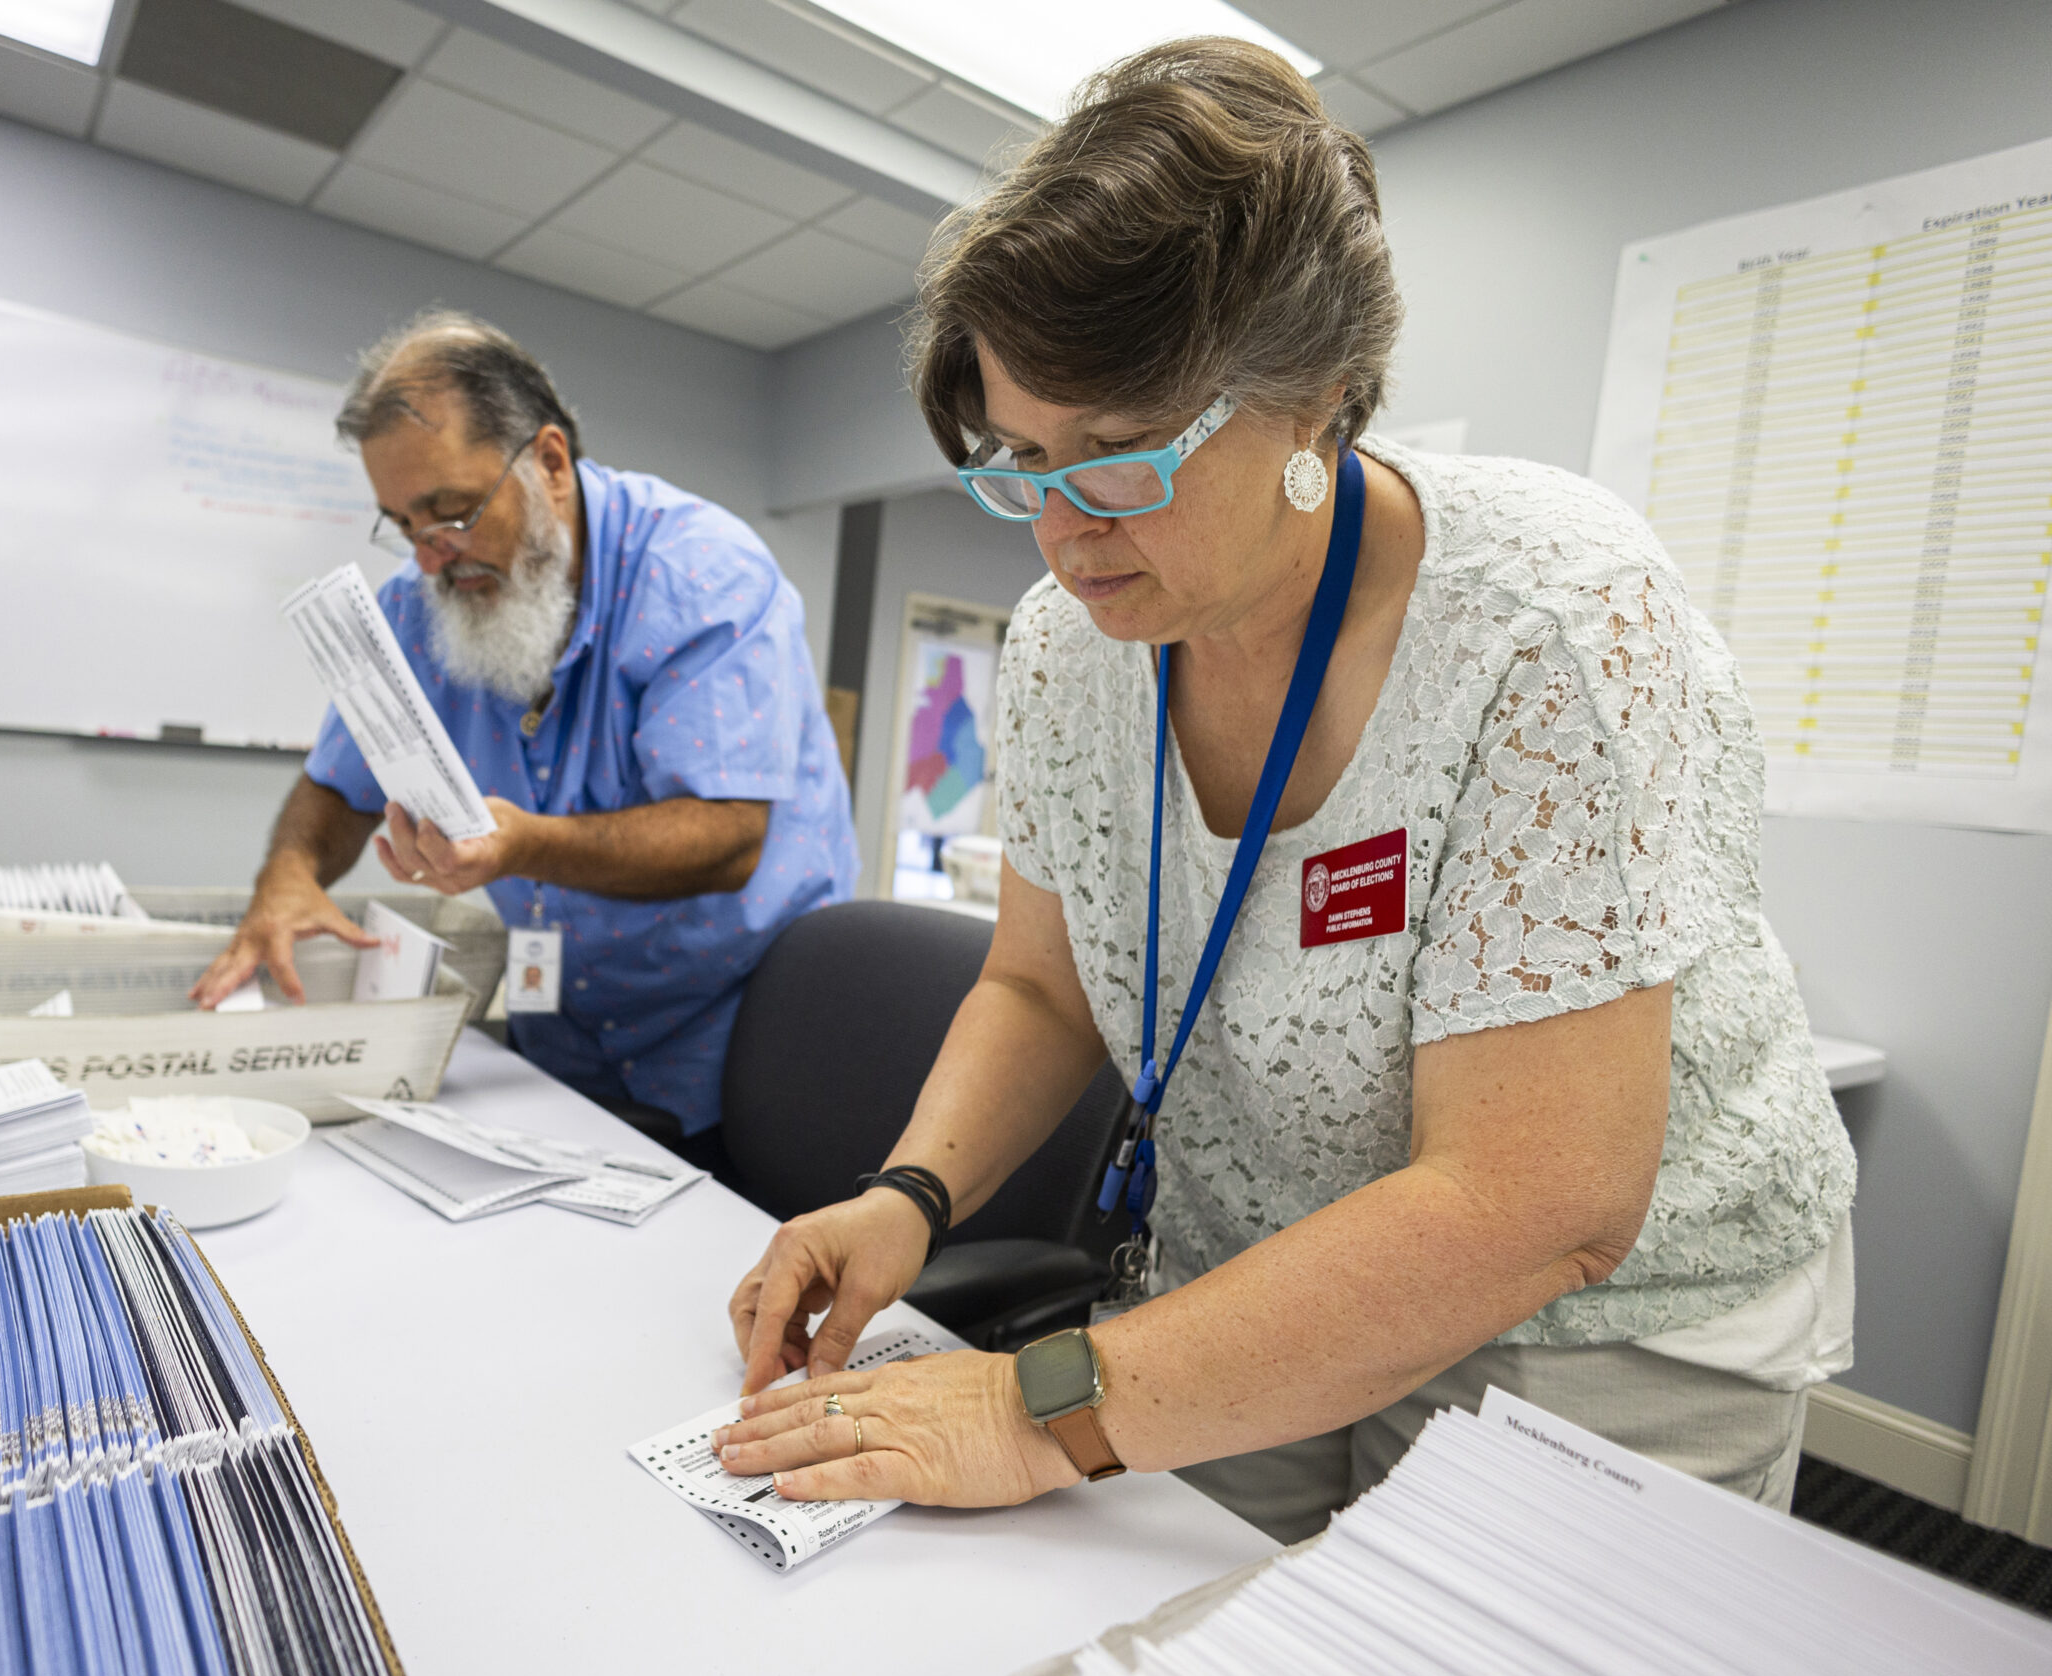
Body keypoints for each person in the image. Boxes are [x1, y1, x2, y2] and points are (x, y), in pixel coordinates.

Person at [714, 38, 1855, 1541]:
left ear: (1314, 400)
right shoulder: (1070, 649)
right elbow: (1047, 988)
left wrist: (1021, 1404)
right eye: (1024, 459)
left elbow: (1538, 1198)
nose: (1061, 532)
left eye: (1120, 458)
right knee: (1148, 1626)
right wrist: (907, 1196)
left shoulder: (1555, 621)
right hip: (1246, 1269)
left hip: (1600, 1324)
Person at [193, 312, 857, 1162]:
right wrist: (287, 878)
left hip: (739, 1037)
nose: (432, 557)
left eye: (452, 512)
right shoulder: (415, 604)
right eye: (403, 525)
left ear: (548, 461)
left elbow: (724, 838)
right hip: (563, 1037)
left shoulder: (702, 575)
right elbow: (334, 787)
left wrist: (522, 845)